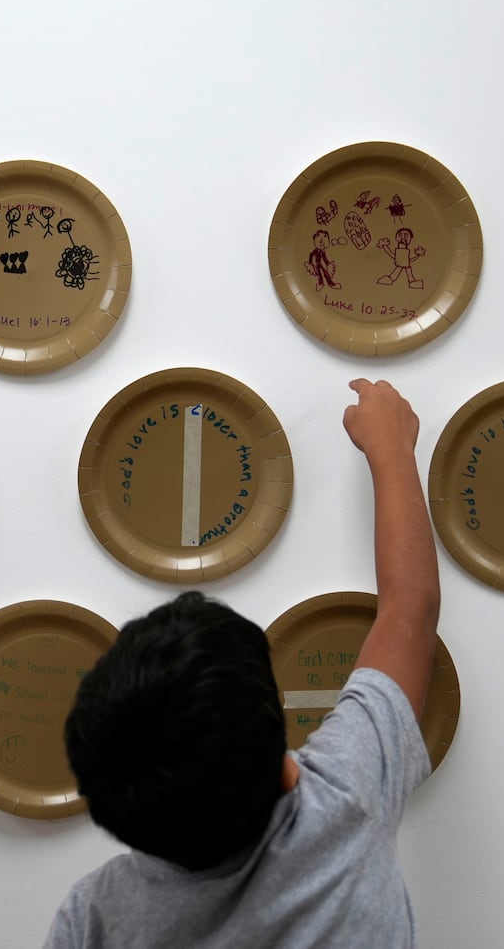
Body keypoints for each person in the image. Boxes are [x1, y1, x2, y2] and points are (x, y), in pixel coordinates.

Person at [45, 378, 442, 948]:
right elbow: (410, 611)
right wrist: (393, 451)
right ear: (288, 771)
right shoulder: (345, 805)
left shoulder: (96, 917)